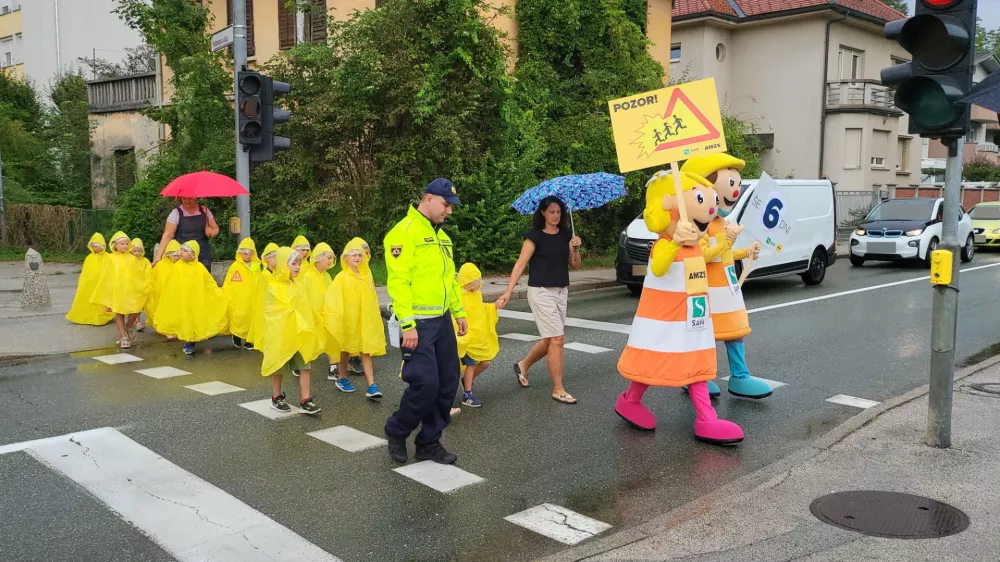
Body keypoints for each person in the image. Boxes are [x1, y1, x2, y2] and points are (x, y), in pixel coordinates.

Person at [614, 170, 743, 445]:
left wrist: (726, 243)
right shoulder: (662, 244)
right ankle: (630, 400)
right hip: (663, 322)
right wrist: (674, 241)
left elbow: (707, 256)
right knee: (651, 363)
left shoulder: (694, 245)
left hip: (691, 320)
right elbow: (659, 267)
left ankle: (706, 419)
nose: (708, 210)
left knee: (694, 366)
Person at [383, 178, 468, 465]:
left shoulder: (443, 238)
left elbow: (450, 280)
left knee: (447, 383)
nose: (449, 212)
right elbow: (398, 281)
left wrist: (458, 312)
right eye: (446, 205)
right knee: (426, 384)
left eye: (451, 206)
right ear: (428, 199)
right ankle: (397, 430)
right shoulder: (403, 232)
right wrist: (407, 323)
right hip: (417, 322)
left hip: (442, 320)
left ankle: (428, 442)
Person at [681, 154, 770, 399]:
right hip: (707, 290)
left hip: (727, 289)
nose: (735, 191)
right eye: (730, 184)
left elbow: (724, 254)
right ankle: (699, 378)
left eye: (736, 184)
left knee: (735, 332)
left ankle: (740, 376)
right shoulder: (699, 224)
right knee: (704, 335)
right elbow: (704, 256)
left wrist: (745, 251)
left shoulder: (720, 221)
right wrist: (728, 241)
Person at [495, 196, 583, 404]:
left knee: (550, 339)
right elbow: (520, 265)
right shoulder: (534, 236)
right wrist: (508, 291)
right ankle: (558, 389)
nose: (555, 216)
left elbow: (575, 265)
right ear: (542, 212)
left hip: (561, 291)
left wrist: (576, 249)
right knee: (557, 339)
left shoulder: (566, 235)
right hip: (541, 291)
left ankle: (523, 365)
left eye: (559, 212)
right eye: (551, 212)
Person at [259, 246, 322, 415]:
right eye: (293, 264)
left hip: (298, 334)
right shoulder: (273, 286)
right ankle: (277, 396)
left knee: (304, 366)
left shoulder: (298, 285)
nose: (297, 267)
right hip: (280, 335)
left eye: (299, 264)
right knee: (278, 366)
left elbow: (304, 306)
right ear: (282, 265)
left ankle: (305, 399)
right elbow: (271, 311)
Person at [324, 237, 386, 400]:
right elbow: (334, 298)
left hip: (364, 320)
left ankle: (372, 385)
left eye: (359, 255)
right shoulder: (341, 278)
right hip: (348, 320)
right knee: (345, 349)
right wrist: (337, 317)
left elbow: (372, 297)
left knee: (365, 351)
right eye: (353, 255)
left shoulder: (366, 276)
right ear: (345, 258)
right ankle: (342, 376)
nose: (357, 258)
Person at [153, 241, 228, 356]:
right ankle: (189, 342)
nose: (181, 252)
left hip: (197, 301)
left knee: (197, 321)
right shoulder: (177, 266)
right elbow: (172, 283)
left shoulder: (200, 268)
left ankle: (198, 338)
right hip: (184, 301)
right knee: (187, 322)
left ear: (193, 254)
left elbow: (209, 282)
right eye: (181, 250)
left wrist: (217, 292)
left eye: (185, 251)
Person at [452, 263, 501, 410]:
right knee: (470, 364)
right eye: (476, 280)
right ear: (468, 281)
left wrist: (494, 306)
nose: (479, 283)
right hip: (465, 338)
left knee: (486, 361)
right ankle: (467, 394)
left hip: (475, 338)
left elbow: (481, 309)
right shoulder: (458, 296)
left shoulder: (476, 295)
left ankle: (465, 384)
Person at [90, 232, 148, 349]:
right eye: (122, 244)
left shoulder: (132, 258)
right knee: (119, 313)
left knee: (136, 309)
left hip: (132, 290)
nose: (125, 246)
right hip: (118, 291)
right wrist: (107, 293)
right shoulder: (111, 258)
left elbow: (138, 274)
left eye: (127, 243)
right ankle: (123, 337)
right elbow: (107, 276)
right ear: (115, 245)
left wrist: (143, 286)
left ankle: (129, 326)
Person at [296, 242, 338, 382]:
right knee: (309, 342)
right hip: (311, 316)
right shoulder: (307, 277)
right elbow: (302, 297)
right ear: (318, 258)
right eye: (328, 257)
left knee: (331, 340)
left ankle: (333, 368)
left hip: (326, 315)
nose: (330, 260)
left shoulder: (327, 276)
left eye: (332, 258)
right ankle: (301, 364)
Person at [152, 197, 220, 272]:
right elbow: (168, 235)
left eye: (189, 199)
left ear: (195, 198)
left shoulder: (205, 210)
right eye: (184, 199)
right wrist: (158, 256)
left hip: (203, 255)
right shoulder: (176, 213)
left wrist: (211, 233)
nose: (187, 201)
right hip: (183, 256)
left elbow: (215, 228)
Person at [66, 233, 115, 326]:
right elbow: (85, 272)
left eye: (98, 246)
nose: (96, 248)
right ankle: (87, 316)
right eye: (94, 246)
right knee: (88, 299)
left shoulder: (108, 257)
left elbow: (110, 270)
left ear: (103, 246)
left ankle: (101, 317)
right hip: (89, 284)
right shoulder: (89, 258)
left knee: (100, 301)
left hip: (102, 283)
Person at [223, 237, 263, 349]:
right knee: (239, 318)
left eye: (250, 253)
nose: (247, 256)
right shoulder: (235, 266)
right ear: (240, 253)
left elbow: (259, 279)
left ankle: (249, 341)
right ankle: (236, 335)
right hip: (239, 298)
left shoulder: (255, 265)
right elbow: (229, 283)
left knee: (251, 319)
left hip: (252, 297)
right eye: (245, 253)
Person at [246, 242, 278, 350]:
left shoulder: (277, 274)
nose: (277, 260)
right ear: (267, 259)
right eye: (275, 257)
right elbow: (263, 296)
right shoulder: (265, 275)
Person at [146, 239, 181, 336]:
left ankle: (174, 329)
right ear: (168, 254)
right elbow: (153, 278)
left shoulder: (180, 265)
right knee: (164, 311)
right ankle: (166, 330)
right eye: (175, 255)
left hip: (175, 293)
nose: (177, 257)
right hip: (162, 294)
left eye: (178, 255)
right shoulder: (161, 265)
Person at [129, 238, 153, 336]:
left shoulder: (145, 261)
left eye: (139, 251)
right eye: (135, 251)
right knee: (134, 306)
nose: (137, 253)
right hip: (132, 287)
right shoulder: (129, 260)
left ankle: (135, 321)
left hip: (142, 287)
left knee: (139, 306)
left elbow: (148, 271)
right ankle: (137, 322)